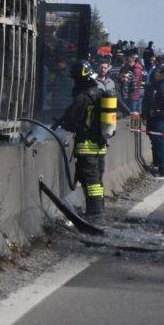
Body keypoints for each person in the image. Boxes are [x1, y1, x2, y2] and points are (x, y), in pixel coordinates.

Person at [55, 61, 108, 217]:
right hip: (100, 146)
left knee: (90, 181)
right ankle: (99, 209)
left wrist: (65, 125)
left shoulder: (82, 98)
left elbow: (71, 122)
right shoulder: (99, 93)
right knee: (97, 180)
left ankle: (95, 213)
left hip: (87, 146)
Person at [142, 67, 164, 179]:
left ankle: (163, 171)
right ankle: (162, 168)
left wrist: (155, 110)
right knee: (162, 145)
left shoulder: (163, 86)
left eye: (157, 73)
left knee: (161, 146)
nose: (155, 75)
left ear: (162, 75)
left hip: (161, 119)